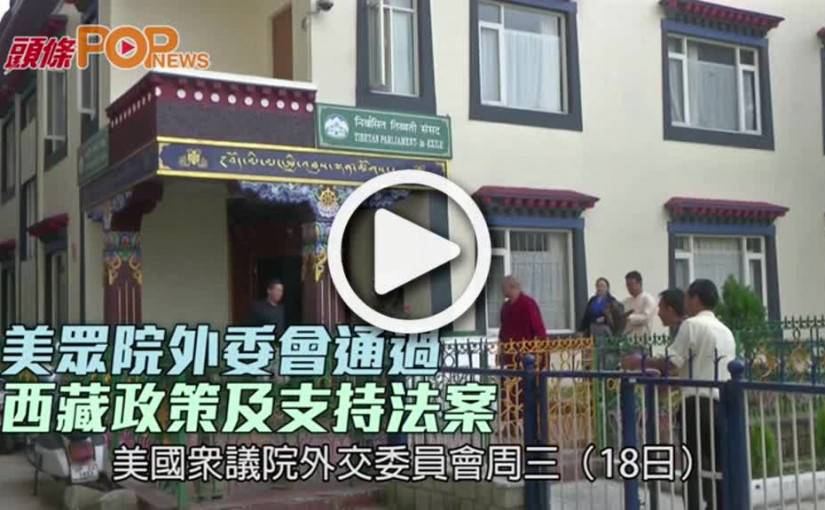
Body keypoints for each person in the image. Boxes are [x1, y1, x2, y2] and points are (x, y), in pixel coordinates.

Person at [622, 279, 736, 510]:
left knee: (692, 465)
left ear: (695, 299)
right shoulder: (725, 331)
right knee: (719, 465)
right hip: (722, 402)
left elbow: (671, 362)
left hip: (697, 403)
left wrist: (640, 362)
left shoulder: (692, 325)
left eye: (687, 298)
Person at [498, 275, 547, 430]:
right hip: (509, 354)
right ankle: (510, 423)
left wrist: (541, 351)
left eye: (504, 287)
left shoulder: (528, 304)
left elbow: (538, 328)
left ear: (512, 287)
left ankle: (529, 425)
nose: (502, 290)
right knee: (508, 390)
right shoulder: (506, 307)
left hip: (526, 355)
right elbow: (503, 330)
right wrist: (501, 350)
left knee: (525, 390)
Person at [622, 271, 658, 336]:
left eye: (631, 285)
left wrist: (629, 318)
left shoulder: (648, 299)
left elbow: (646, 317)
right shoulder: (626, 301)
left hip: (642, 337)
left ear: (640, 284)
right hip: (626, 337)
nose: (629, 288)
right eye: (627, 285)